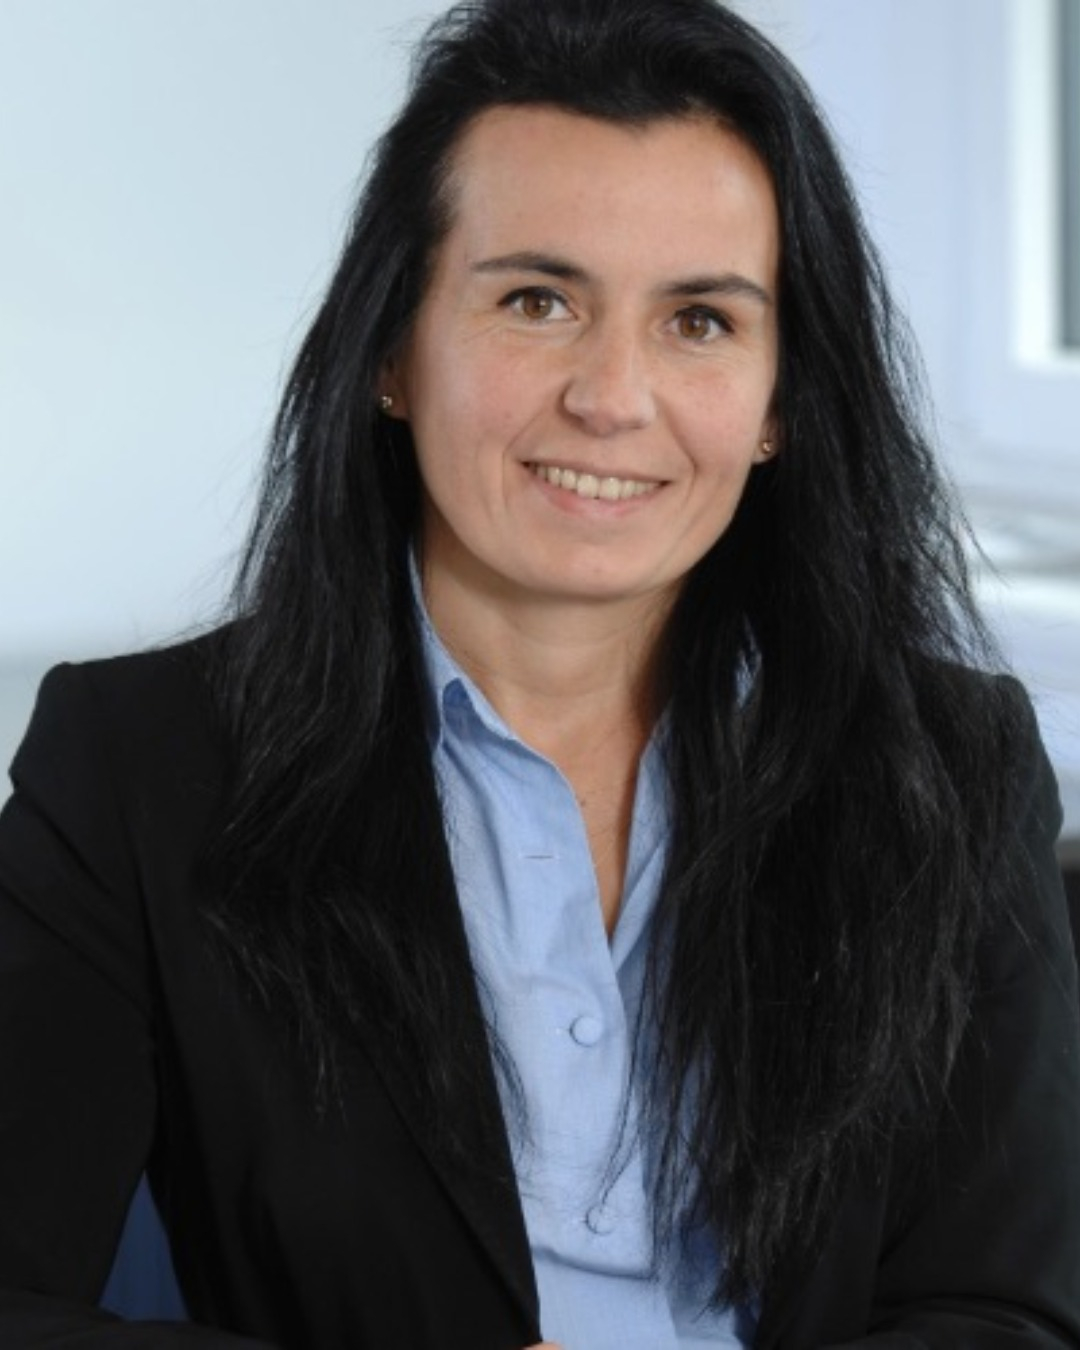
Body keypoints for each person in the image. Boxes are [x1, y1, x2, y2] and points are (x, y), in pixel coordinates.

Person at [1, 0, 1077, 1346]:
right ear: (391, 352)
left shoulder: (953, 767)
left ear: (779, 403)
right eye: (536, 301)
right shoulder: (135, 765)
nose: (612, 396)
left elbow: (1004, 1315)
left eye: (700, 320)